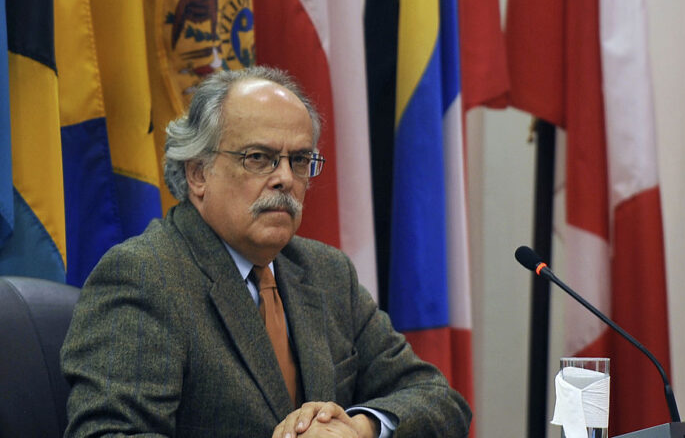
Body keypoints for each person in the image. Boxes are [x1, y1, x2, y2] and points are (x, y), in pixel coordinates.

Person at [60, 66, 471, 437]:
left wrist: (358, 428)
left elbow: (439, 400)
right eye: (259, 158)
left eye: (299, 160)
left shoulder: (327, 272)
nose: (285, 180)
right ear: (199, 173)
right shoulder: (145, 275)